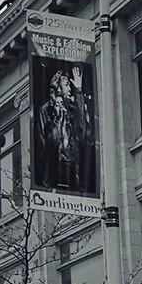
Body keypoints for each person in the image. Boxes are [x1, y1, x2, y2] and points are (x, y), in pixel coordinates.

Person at [36, 65, 95, 194]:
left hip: (74, 170)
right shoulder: (46, 110)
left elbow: (82, 131)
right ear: (58, 89)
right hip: (54, 172)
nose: (70, 88)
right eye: (67, 84)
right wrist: (59, 120)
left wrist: (79, 91)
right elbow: (44, 143)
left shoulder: (73, 108)